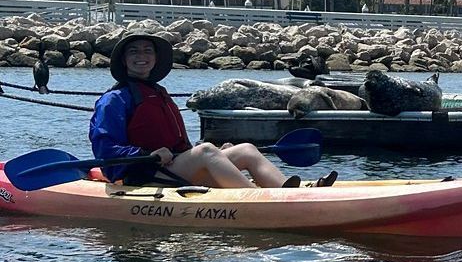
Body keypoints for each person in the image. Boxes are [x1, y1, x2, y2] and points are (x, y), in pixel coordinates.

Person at [89, 31, 302, 188]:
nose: (141, 56)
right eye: (133, 52)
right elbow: (105, 151)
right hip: (143, 172)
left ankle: (288, 192)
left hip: (173, 167)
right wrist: (146, 154)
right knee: (206, 151)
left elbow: (181, 147)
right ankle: (257, 200)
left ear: (155, 58)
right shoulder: (114, 99)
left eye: (147, 51)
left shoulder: (158, 93)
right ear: (124, 60)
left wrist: (218, 150)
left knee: (245, 149)